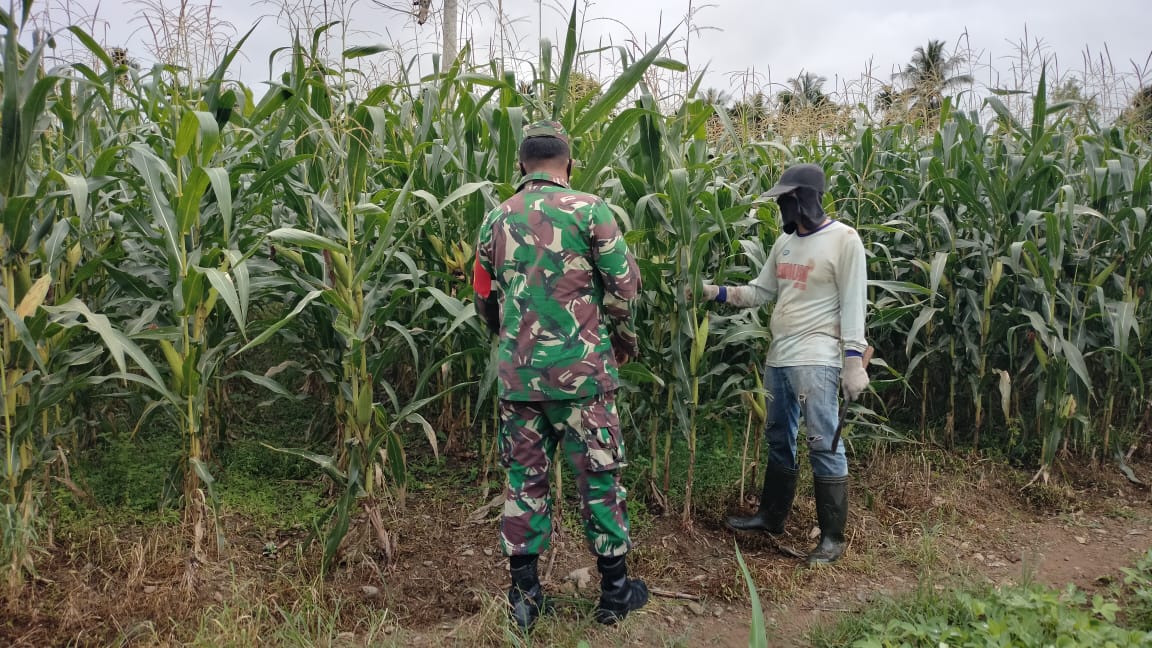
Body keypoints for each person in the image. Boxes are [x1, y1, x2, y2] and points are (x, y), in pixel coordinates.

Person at [472, 120, 649, 630]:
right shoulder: (591, 209)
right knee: (599, 478)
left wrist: (508, 339)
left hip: (519, 380)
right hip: (584, 380)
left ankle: (524, 600)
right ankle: (614, 595)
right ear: (567, 165)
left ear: (521, 167)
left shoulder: (495, 220)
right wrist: (620, 339)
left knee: (524, 482)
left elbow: (484, 295)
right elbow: (624, 287)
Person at [696, 163, 869, 564]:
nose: (780, 211)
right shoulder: (783, 245)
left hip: (818, 359)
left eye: (784, 202)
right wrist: (709, 292)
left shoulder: (845, 241)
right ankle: (772, 516)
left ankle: (832, 539)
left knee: (823, 442)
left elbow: (854, 303)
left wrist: (853, 361)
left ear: (802, 200)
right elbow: (758, 293)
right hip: (781, 356)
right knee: (778, 435)